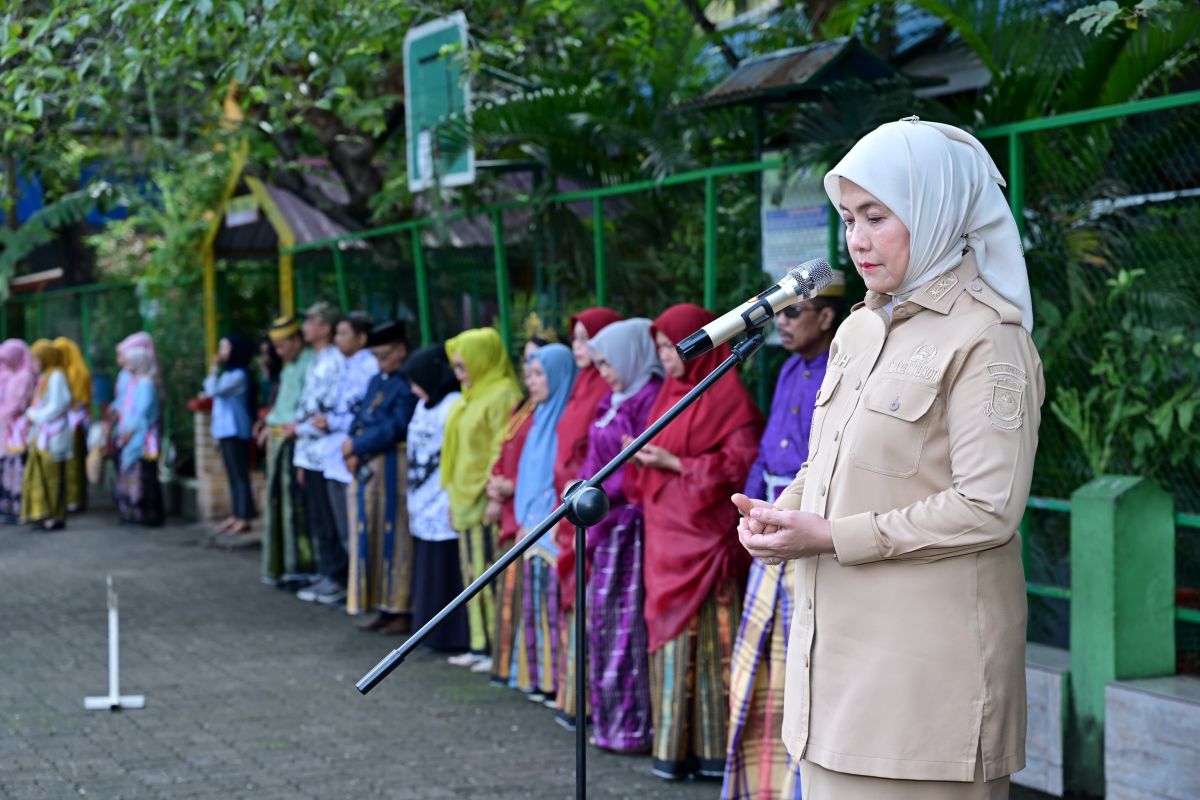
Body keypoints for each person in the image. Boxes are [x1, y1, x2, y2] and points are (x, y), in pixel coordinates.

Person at [734, 119, 1042, 799]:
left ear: (934, 207)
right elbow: (830, 459)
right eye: (848, 219)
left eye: (877, 215)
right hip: (831, 687)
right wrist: (784, 516)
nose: (857, 239)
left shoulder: (988, 339)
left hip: (924, 706)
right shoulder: (859, 329)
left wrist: (834, 537)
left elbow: (987, 507)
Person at [722, 271, 845, 800]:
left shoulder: (840, 372)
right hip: (769, 533)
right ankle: (761, 784)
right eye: (780, 312)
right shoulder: (789, 369)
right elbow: (767, 453)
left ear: (827, 316)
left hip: (807, 536)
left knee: (803, 672)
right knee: (761, 672)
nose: (783, 322)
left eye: (795, 311)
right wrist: (751, 514)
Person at [634, 303, 763, 781]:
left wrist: (675, 465)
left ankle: (714, 751)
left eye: (672, 346)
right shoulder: (667, 393)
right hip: (664, 539)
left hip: (707, 543)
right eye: (661, 348)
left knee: (712, 647)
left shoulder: (727, 399)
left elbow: (740, 467)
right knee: (669, 644)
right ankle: (672, 749)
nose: (667, 357)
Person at [579, 318, 663, 752]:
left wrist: (595, 493)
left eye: (610, 362)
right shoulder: (613, 399)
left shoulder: (648, 399)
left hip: (627, 527)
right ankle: (609, 723)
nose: (606, 372)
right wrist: (580, 489)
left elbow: (629, 467)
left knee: (625, 626)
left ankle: (631, 727)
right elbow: (594, 458)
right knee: (603, 625)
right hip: (601, 524)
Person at [552, 306, 621, 727]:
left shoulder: (608, 390)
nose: (582, 348)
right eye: (576, 339)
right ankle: (574, 697)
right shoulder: (582, 385)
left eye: (587, 339)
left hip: (602, 516)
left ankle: (594, 706)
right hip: (571, 505)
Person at [442, 328, 523, 668]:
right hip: (463, 496)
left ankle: (492, 645)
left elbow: (499, 448)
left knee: (486, 570)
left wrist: (492, 496)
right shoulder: (470, 395)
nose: (460, 374)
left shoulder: (502, 394)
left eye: (463, 366)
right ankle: (478, 643)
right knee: (471, 571)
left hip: (485, 496)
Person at [510, 343, 576, 704]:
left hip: (551, 527)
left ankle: (555, 682)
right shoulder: (538, 419)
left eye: (539, 374)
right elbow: (528, 476)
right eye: (529, 374)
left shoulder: (564, 420)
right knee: (534, 603)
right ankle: (537, 676)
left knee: (551, 605)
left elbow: (558, 477)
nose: (531, 381)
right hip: (530, 527)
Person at [344, 320, 418, 634]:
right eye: (375, 356)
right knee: (369, 538)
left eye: (385, 355)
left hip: (392, 473)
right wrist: (352, 448)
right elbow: (361, 417)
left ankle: (400, 608)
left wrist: (358, 445)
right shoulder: (377, 380)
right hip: (367, 474)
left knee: (396, 538)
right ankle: (380, 605)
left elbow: (396, 426)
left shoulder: (407, 384)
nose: (379, 363)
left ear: (401, 351)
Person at [403, 344, 467, 652]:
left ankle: (450, 636)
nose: (414, 389)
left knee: (446, 570)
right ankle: (427, 632)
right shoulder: (423, 405)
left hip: (443, 499)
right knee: (428, 568)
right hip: (420, 496)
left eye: (416, 381)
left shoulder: (453, 404)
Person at [486, 336, 542, 682]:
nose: (530, 373)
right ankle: (506, 665)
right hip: (507, 504)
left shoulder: (548, 410)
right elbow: (503, 449)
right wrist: (495, 485)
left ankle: (521, 669)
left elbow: (540, 467)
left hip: (525, 508)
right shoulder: (523, 406)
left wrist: (512, 486)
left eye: (538, 365)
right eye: (528, 364)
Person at [317, 312, 380, 608]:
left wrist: (330, 421)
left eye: (343, 333)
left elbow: (360, 414)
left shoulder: (368, 367)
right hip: (332, 455)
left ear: (361, 338)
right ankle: (350, 587)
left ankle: (360, 591)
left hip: (349, 456)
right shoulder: (342, 363)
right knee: (341, 528)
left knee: (353, 529)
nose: (337, 339)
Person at [292, 301, 347, 606]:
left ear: (325, 326)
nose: (306, 327)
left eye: (311, 321)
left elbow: (325, 408)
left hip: (324, 451)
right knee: (318, 517)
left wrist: (298, 429)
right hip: (308, 452)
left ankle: (338, 576)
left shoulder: (334, 361)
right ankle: (328, 572)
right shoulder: (314, 358)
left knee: (329, 517)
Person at [259, 315, 316, 587]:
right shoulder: (288, 367)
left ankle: (301, 566)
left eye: (282, 346)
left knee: (295, 506)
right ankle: (281, 566)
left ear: (296, 340)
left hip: (295, 441)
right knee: (278, 504)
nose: (279, 353)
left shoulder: (310, 364)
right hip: (278, 439)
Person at [202, 333, 258, 536]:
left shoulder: (239, 375)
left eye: (224, 348)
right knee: (233, 476)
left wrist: (213, 368)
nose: (220, 352)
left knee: (240, 476)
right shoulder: (229, 375)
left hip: (236, 430)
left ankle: (244, 517)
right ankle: (236, 515)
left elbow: (212, 391)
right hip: (225, 431)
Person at [21, 340, 73, 530]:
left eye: (36, 358)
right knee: (39, 476)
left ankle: (55, 516)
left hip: (52, 434)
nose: (33, 362)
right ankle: (42, 514)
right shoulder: (46, 376)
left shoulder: (57, 376)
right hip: (42, 434)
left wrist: (33, 415)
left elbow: (59, 405)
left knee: (53, 477)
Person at [114, 343, 164, 526]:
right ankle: (136, 513)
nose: (126, 366)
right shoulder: (134, 383)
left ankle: (148, 515)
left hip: (142, 439)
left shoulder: (145, 384)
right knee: (137, 475)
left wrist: (129, 432)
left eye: (129, 362)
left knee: (146, 477)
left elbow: (142, 414)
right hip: (132, 436)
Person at [0, 340, 37, 523]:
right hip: (8, 428)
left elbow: (17, 403)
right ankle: (9, 508)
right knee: (8, 468)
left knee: (17, 468)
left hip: (17, 429)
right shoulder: (12, 375)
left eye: (8, 359)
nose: (5, 364)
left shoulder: (24, 377)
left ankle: (19, 509)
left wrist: (3, 415)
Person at [54, 337, 91, 514]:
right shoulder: (67, 370)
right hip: (71, 421)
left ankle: (74, 499)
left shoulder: (75, 372)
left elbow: (75, 400)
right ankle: (73, 498)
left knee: (73, 462)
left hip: (74, 422)